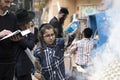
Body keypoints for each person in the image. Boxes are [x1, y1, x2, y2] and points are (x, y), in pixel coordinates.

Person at [0, 0, 22, 80]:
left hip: (9, 62)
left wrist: (16, 39)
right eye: (6, 2)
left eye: (10, 3)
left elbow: (14, 38)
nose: (9, 5)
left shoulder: (13, 17)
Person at [14, 9, 35, 80]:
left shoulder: (24, 31)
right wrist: (31, 32)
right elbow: (30, 45)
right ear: (24, 23)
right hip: (20, 70)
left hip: (25, 68)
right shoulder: (17, 34)